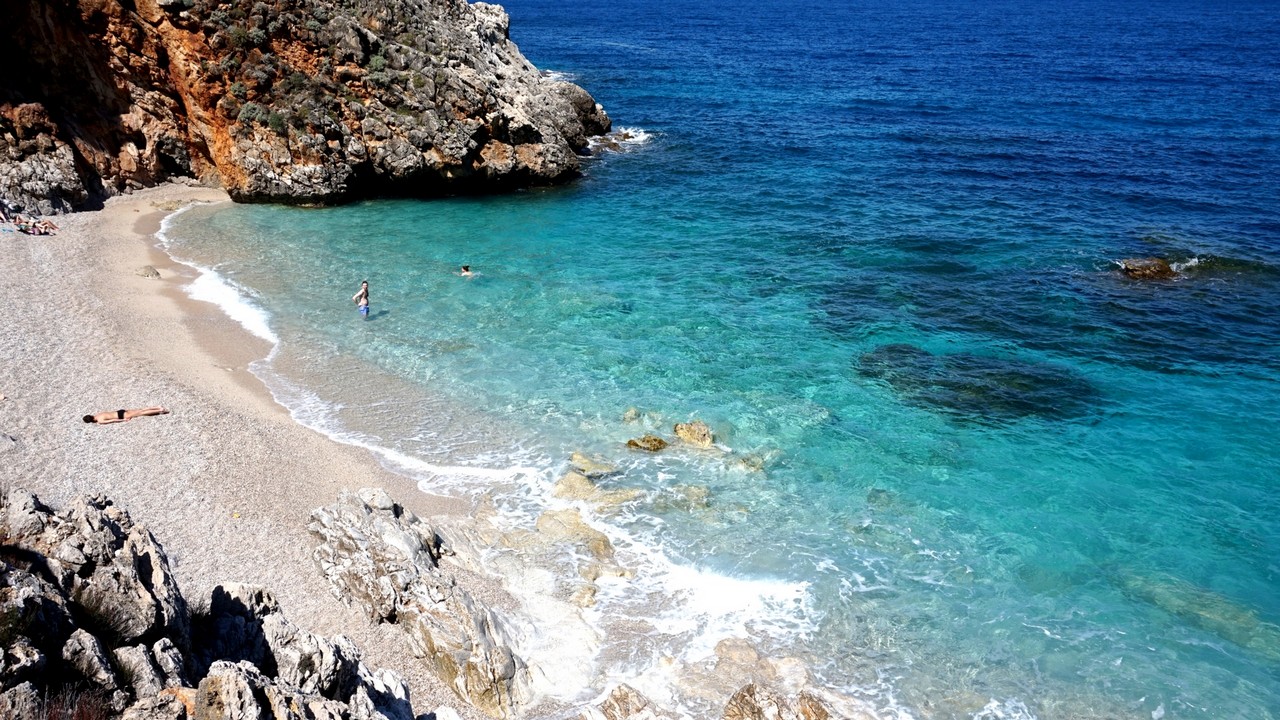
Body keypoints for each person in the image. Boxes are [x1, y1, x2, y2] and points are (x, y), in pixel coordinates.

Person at [83, 406, 169, 424]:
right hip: (120, 411)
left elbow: (112, 420)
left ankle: (159, 410)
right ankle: (157, 407)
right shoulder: (98, 414)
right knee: (140, 409)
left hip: (121, 416)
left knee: (141, 413)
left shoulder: (100, 420)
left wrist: (123, 420)